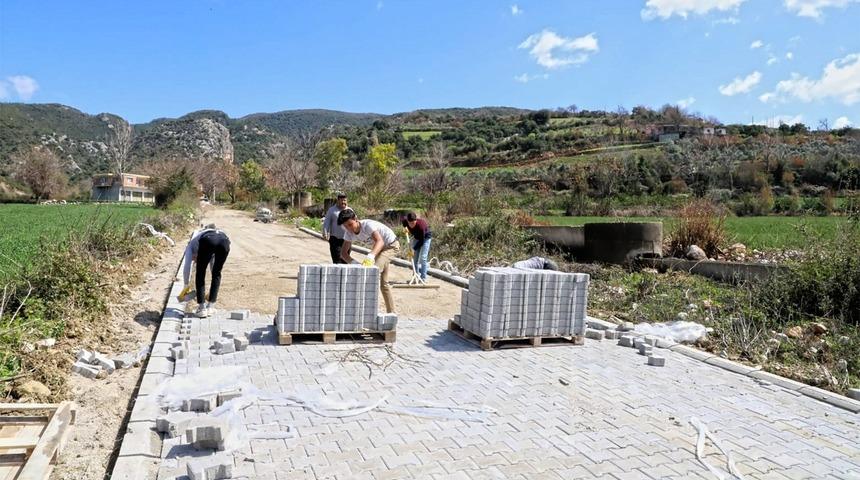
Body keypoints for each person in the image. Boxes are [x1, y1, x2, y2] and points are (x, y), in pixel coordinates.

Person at [337, 209, 400, 313]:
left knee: (371, 274)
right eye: (345, 226)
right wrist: (355, 264)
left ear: (356, 219)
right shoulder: (348, 233)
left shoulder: (367, 225)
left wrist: (371, 256)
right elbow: (343, 254)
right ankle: (391, 314)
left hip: (391, 246)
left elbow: (380, 241)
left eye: (350, 224)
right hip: (380, 249)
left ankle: (366, 312)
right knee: (384, 283)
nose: (349, 228)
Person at [182, 224, 231, 318]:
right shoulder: (207, 238)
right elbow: (213, 270)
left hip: (208, 240)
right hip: (225, 241)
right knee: (217, 274)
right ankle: (210, 306)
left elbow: (187, 266)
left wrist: (185, 286)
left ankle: (202, 308)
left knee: (200, 274)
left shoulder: (190, 245)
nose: (194, 260)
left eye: (194, 259)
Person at [401, 211, 432, 281]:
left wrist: (413, 249)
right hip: (416, 238)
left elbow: (422, 240)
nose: (411, 225)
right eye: (410, 223)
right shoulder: (406, 221)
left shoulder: (421, 226)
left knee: (423, 258)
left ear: (416, 220)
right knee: (414, 259)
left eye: (413, 223)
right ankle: (416, 276)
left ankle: (423, 278)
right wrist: (405, 228)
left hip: (425, 238)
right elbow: (403, 220)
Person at [322, 193, 351, 264]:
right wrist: (325, 231)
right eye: (341, 200)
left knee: (346, 260)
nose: (343, 202)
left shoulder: (350, 210)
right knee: (337, 260)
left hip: (347, 240)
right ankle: (337, 274)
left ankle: (344, 275)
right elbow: (327, 221)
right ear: (337, 201)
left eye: (345, 200)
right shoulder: (332, 210)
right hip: (335, 240)